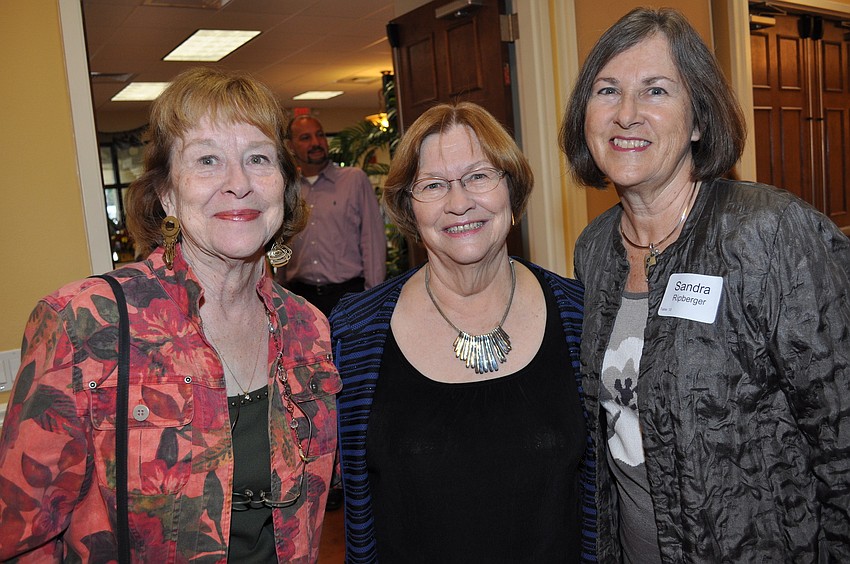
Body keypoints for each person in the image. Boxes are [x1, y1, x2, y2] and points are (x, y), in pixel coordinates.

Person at [0, 67, 341, 562]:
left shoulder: (308, 328)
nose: (238, 183)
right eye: (207, 159)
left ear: (284, 190)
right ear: (166, 194)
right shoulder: (85, 324)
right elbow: (21, 537)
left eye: (258, 158)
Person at [560, 7, 850, 562]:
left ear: (697, 121)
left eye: (656, 91)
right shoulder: (593, 250)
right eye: (607, 90)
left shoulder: (769, 233)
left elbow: (841, 437)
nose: (626, 114)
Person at [330, 101, 596, 563]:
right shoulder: (352, 333)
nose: (459, 203)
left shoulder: (581, 316)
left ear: (511, 189)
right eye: (433, 185)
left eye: (479, 176)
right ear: (410, 209)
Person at [276, 114, 387, 317]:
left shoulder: (354, 180)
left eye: (320, 135)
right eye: (306, 138)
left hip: (348, 297)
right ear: (290, 146)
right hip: (300, 298)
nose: (316, 143)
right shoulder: (287, 189)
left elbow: (372, 241)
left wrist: (372, 299)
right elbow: (282, 241)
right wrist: (279, 290)